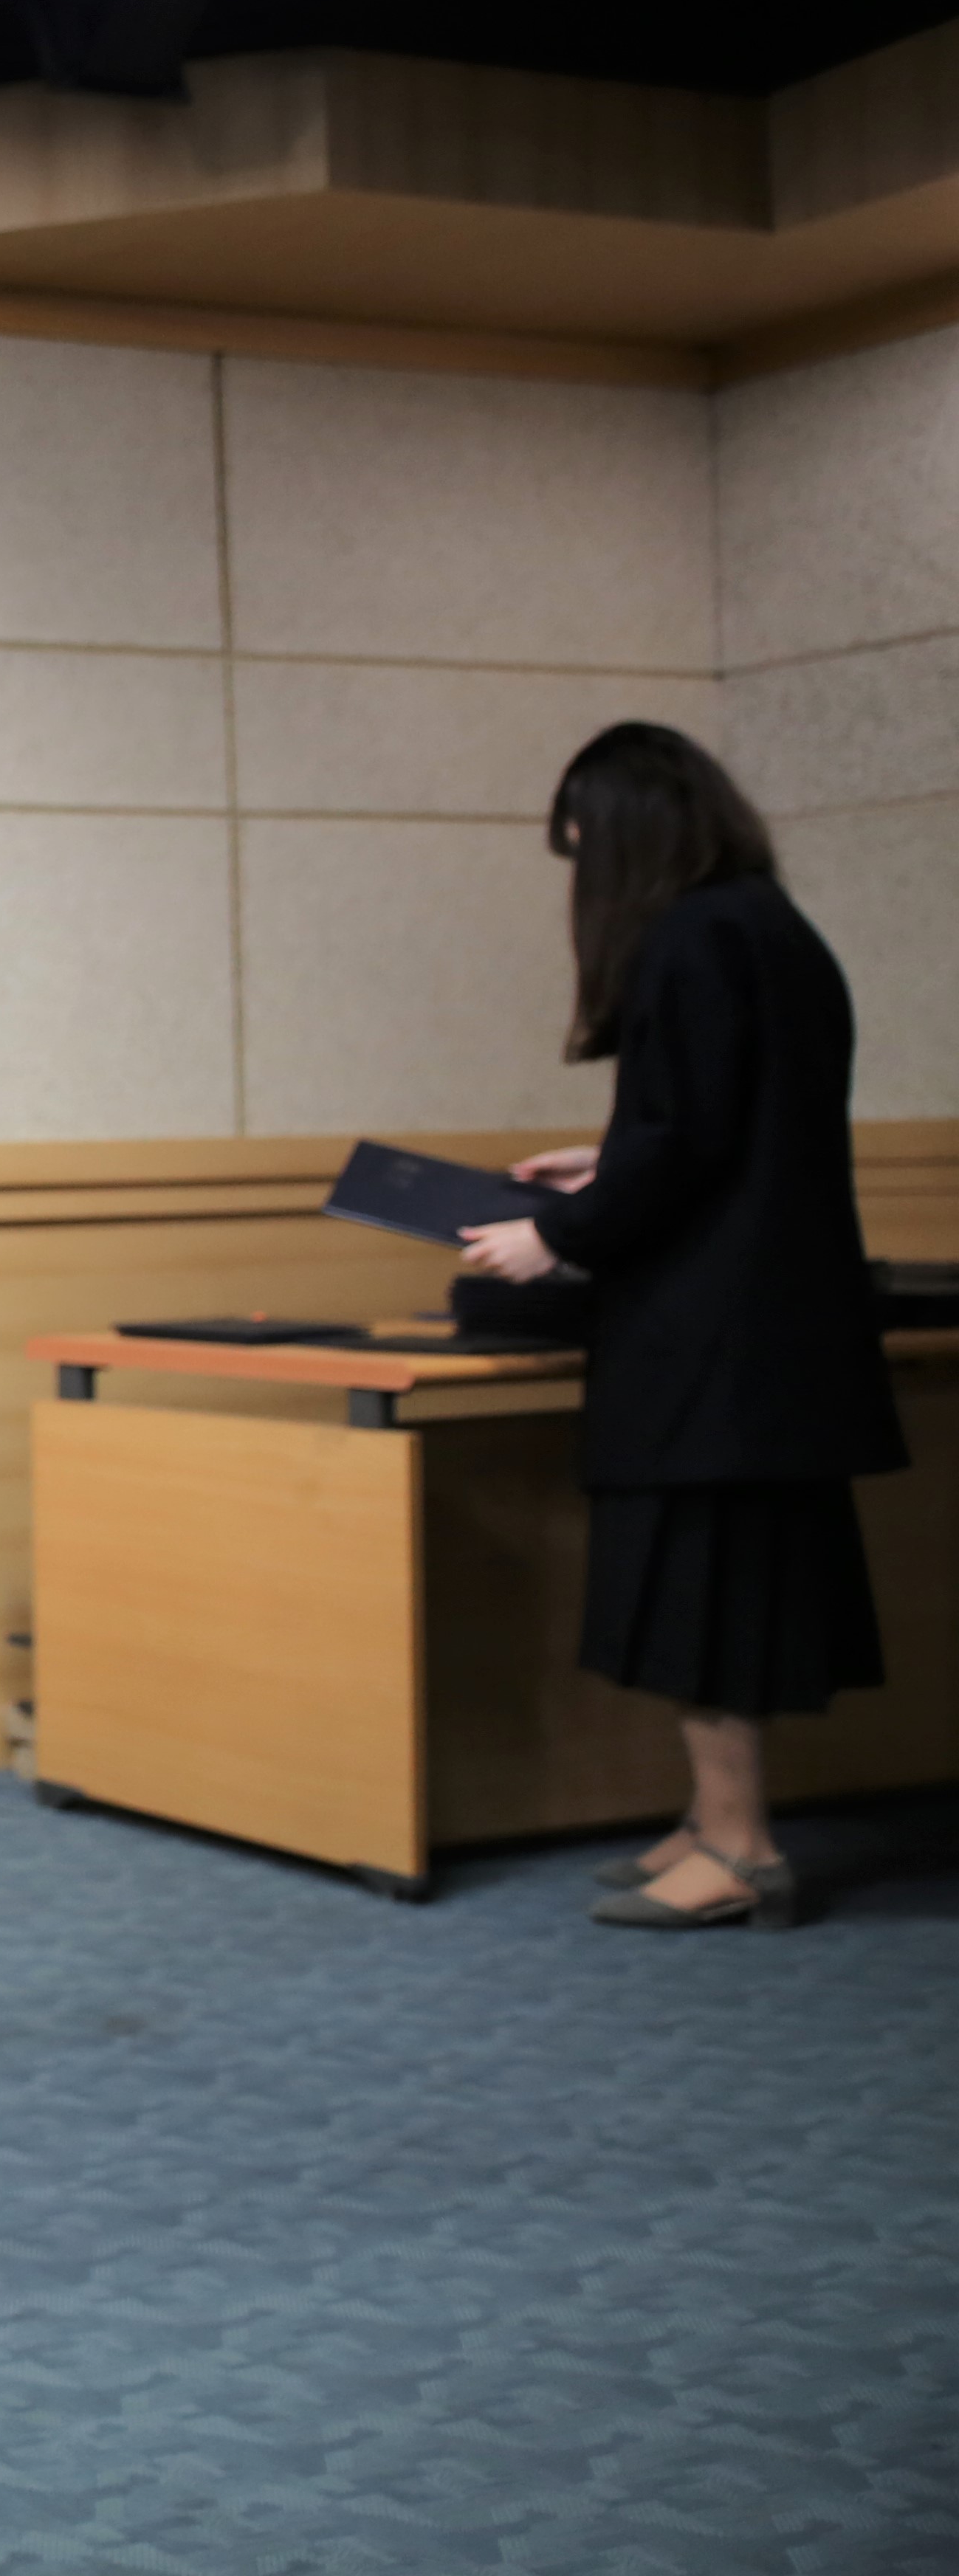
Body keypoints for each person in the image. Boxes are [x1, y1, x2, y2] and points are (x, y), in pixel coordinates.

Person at [459, 723, 901, 1933]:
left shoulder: (694, 937)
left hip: (715, 1340)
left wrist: (559, 1234)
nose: (584, 877)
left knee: (706, 1590)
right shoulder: (770, 927)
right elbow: (732, 1124)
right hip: (768, 1328)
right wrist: (606, 1163)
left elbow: (693, 1141)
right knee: (716, 1582)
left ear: (629, 832)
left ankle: (743, 1849)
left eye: (584, 845)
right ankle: (712, 1821)